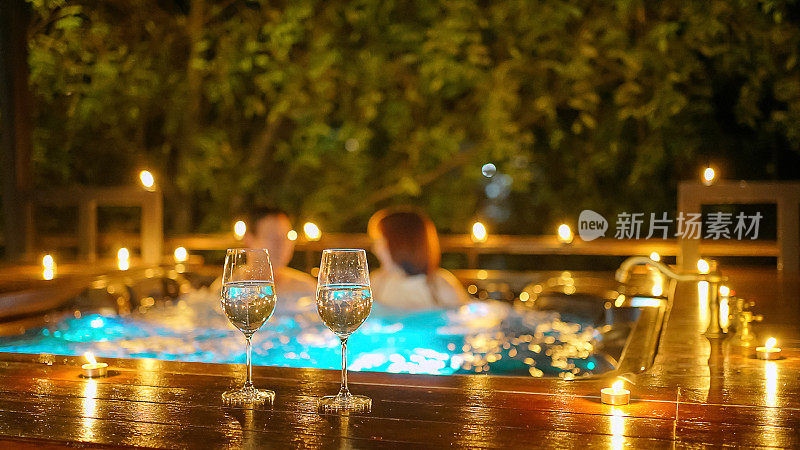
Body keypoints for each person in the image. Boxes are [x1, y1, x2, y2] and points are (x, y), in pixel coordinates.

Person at [368, 208, 470, 310]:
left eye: (380, 242)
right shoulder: (377, 282)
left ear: (401, 244)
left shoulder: (442, 288)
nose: (375, 249)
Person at [243, 206, 317, 314]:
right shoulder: (227, 291)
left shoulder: (306, 288)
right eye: (272, 237)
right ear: (249, 240)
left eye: (286, 237)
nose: (281, 245)